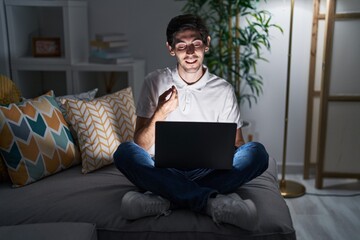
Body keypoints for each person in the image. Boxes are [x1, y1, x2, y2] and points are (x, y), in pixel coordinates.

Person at [113, 14, 269, 231]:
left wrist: (225, 154)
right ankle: (211, 202)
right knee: (124, 152)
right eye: (181, 45)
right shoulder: (154, 81)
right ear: (171, 49)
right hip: (162, 167)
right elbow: (140, 145)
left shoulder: (223, 89)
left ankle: (165, 197)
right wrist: (161, 112)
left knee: (257, 153)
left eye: (195, 43)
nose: (189, 52)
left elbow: (239, 144)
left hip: (207, 171)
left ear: (206, 44)